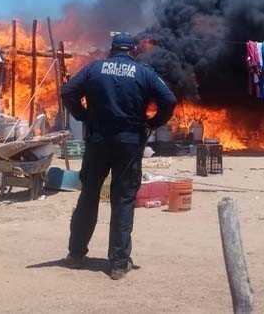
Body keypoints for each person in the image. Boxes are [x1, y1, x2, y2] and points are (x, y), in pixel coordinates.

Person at [61, 33, 177, 280]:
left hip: (97, 142)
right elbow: (169, 99)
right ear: (133, 51)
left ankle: (76, 254)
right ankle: (118, 263)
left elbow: (68, 91)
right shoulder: (144, 73)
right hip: (129, 144)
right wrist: (153, 123)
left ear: (111, 50)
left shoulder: (94, 68)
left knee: (89, 195)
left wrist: (83, 115)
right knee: (123, 200)